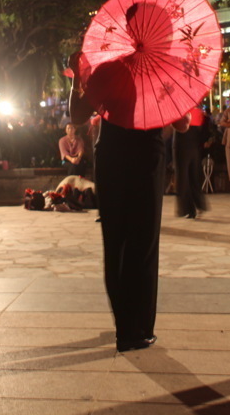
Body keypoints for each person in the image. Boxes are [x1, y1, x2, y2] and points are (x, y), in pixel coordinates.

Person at [69, 47, 190, 353]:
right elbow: (183, 123)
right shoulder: (163, 70)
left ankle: (125, 326)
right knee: (143, 240)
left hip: (111, 155)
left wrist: (76, 79)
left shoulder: (108, 70)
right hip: (146, 155)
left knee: (116, 238)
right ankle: (137, 329)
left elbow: (78, 115)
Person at [173, 106, 209, 219]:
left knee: (183, 177)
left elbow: (178, 126)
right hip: (193, 145)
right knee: (193, 176)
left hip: (182, 143)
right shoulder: (197, 111)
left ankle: (188, 209)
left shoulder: (179, 109)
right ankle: (199, 205)